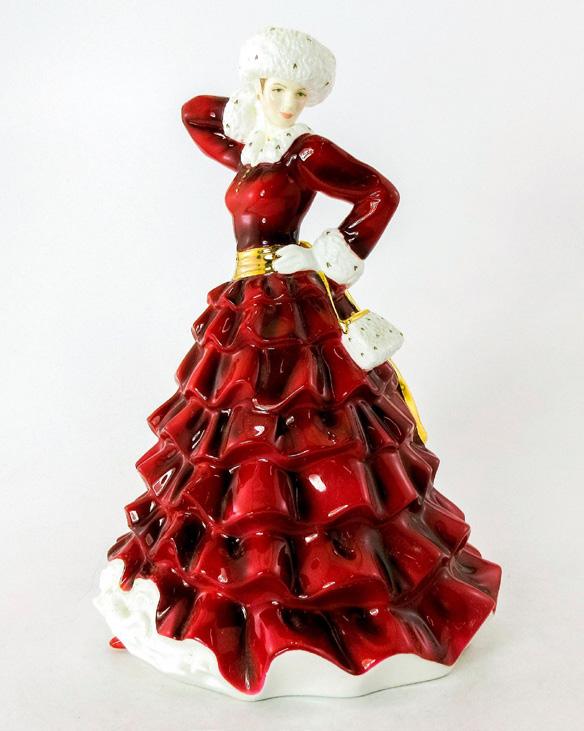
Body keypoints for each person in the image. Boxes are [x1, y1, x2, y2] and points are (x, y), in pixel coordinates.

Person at [94, 26, 501, 700]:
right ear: (260, 87)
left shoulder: (305, 150)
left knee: (308, 421)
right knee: (232, 428)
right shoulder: (253, 148)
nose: (288, 103)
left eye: (300, 93)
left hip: (289, 297)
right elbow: (195, 114)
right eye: (278, 88)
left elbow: (379, 193)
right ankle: (240, 573)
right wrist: (247, 104)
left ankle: (327, 589)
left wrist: (332, 251)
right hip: (244, 299)